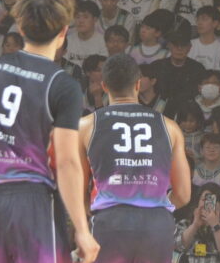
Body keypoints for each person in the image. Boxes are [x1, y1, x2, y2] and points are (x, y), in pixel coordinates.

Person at [0, 0, 99, 263]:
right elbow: (66, 162)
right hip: (34, 202)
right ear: (64, 32)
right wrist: (81, 229)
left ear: (21, 28)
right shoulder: (63, 84)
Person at [79, 53, 190, 263]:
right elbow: (183, 195)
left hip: (110, 220)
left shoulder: (86, 125)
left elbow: (75, 189)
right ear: (138, 84)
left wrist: (94, 211)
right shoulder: (169, 126)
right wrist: (153, 206)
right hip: (156, 223)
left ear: (104, 86)